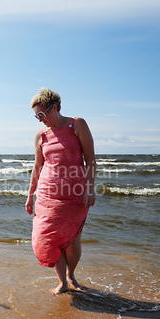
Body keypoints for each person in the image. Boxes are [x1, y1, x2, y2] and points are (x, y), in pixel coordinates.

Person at [25, 87, 96, 295]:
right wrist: (30, 195)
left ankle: (70, 276)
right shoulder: (41, 135)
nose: (39, 119)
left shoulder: (78, 124)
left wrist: (90, 189)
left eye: (41, 114)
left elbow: (90, 159)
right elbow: (37, 166)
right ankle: (61, 282)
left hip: (75, 195)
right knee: (46, 239)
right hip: (47, 196)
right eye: (36, 116)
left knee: (72, 241)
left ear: (54, 107)